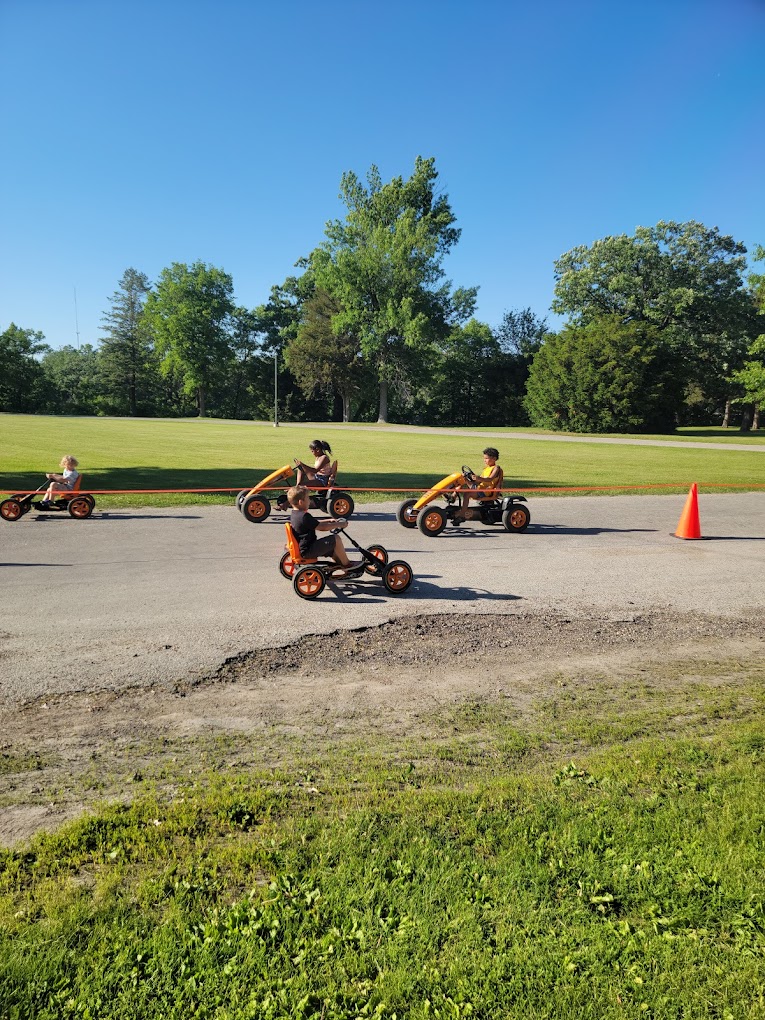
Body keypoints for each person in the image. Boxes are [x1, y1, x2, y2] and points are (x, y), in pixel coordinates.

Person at [287, 485, 361, 575]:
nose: (309, 501)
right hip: (308, 550)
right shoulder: (304, 516)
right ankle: (347, 565)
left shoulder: (296, 514)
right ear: (301, 502)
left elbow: (313, 523)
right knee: (336, 539)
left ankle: (341, 565)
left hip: (303, 547)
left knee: (333, 548)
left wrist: (329, 521)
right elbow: (322, 527)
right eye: (308, 498)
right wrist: (339, 524)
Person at [454, 447, 502, 524]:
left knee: (467, 494)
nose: (484, 460)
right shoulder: (486, 468)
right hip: (479, 488)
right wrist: (471, 478)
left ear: (494, 458)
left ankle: (462, 516)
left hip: (486, 492)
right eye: (484, 458)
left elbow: (490, 479)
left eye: (486, 458)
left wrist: (479, 478)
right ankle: (452, 496)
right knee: (462, 479)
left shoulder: (496, 468)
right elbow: (479, 480)